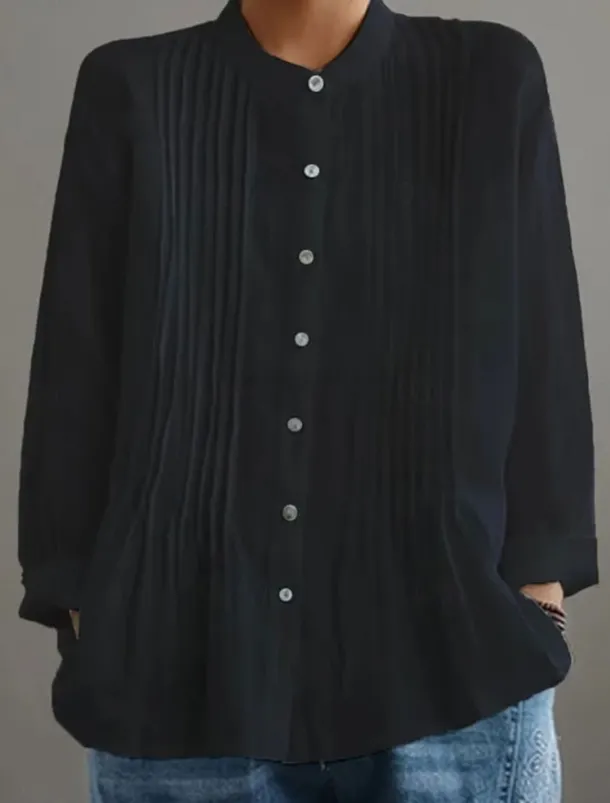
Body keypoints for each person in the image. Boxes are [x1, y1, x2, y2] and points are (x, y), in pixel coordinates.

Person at [17, 0, 597, 800]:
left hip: (458, 673)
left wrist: (542, 588)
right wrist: (80, 598)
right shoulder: (130, 87)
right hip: (180, 678)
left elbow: (544, 335)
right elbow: (76, 367)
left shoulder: (492, 76)